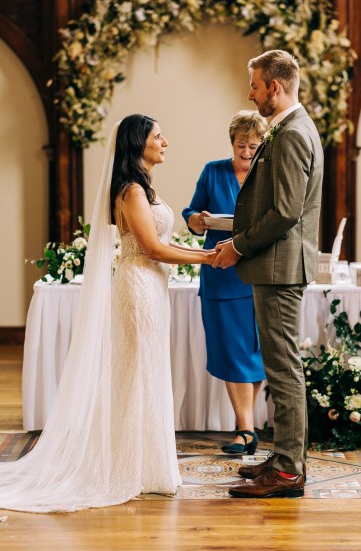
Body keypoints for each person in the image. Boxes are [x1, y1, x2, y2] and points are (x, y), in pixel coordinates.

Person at [0, 114, 217, 513]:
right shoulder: (132, 190)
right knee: (135, 373)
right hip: (138, 286)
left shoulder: (141, 187)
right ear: (139, 144)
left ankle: (145, 466)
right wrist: (207, 257)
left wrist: (201, 255)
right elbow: (152, 248)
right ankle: (124, 467)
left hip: (151, 286)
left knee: (145, 371)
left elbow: (157, 244)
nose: (165, 141)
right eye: (157, 136)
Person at [212, 50, 324, 499]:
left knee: (283, 369)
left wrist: (238, 246)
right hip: (275, 264)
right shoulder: (288, 129)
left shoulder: (293, 133)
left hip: (279, 267)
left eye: (255, 86)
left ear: (275, 87)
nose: (251, 94)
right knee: (279, 368)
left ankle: (289, 471)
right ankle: (281, 459)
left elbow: (284, 212)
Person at [182, 110, 267, 455]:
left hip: (259, 273)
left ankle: (244, 428)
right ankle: (246, 428)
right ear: (231, 143)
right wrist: (198, 221)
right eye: (241, 145)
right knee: (231, 352)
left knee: (253, 353)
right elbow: (190, 213)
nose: (246, 152)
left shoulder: (269, 173)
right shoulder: (212, 171)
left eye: (253, 146)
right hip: (219, 273)